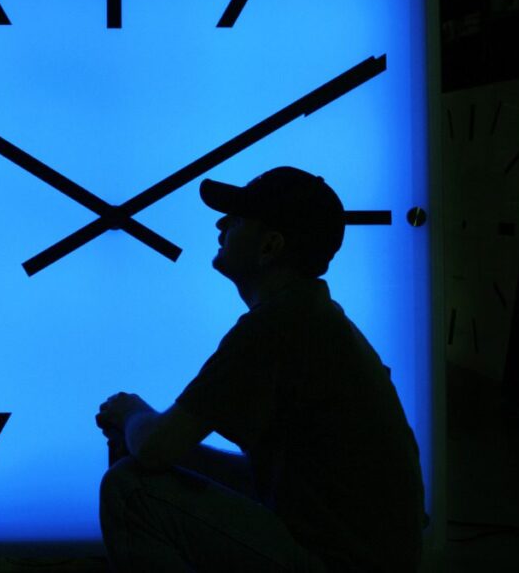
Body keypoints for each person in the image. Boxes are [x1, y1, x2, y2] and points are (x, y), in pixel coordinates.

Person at [95, 166, 427, 572]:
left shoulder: (275, 327)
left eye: (237, 219)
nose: (221, 224)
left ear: (269, 247)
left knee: (129, 490)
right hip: (361, 553)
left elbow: (155, 447)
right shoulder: (315, 317)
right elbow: (263, 479)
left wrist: (129, 411)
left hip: (336, 562)